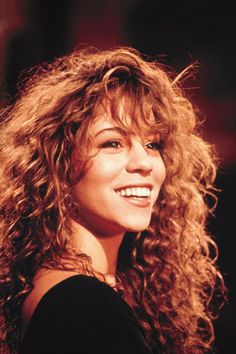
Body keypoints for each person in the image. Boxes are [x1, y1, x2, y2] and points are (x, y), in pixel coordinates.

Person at [0, 47, 225, 354]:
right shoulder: (83, 305)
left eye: (152, 143)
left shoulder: (68, 288)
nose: (143, 162)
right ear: (58, 164)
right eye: (113, 143)